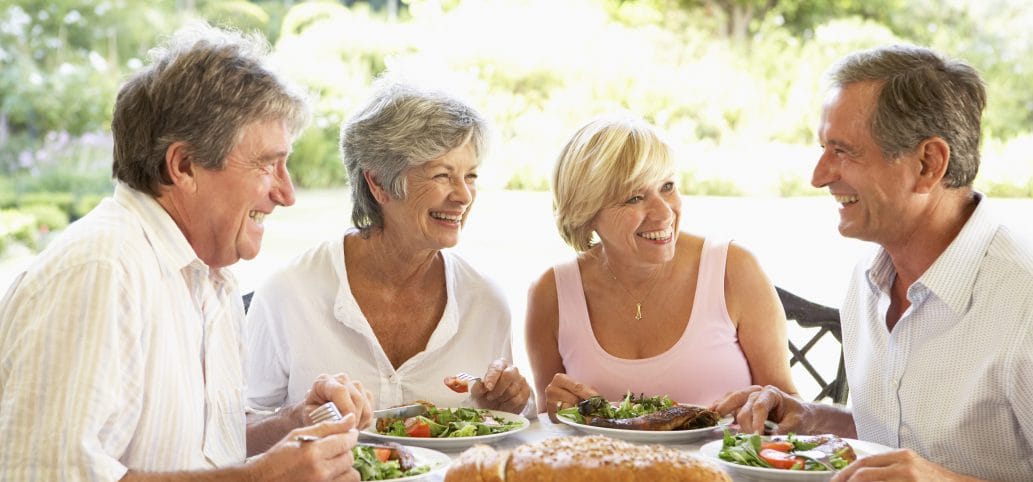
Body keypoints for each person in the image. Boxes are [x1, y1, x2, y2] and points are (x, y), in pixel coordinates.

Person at [0, 24, 374, 481]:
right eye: (266, 164)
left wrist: (291, 423)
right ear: (184, 166)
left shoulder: (208, 275)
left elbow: (199, 449)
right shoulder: (101, 269)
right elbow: (48, 475)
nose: (286, 193)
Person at [713, 45, 1033, 481]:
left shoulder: (1024, 296)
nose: (819, 175)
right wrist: (811, 417)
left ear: (928, 164)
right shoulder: (869, 274)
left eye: (843, 151)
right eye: (824, 147)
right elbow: (899, 438)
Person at [245, 80, 534, 417]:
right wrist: (295, 421)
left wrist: (510, 405)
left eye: (470, 176)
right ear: (379, 183)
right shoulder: (289, 293)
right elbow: (238, 432)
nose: (463, 196)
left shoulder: (486, 303)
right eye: (442, 175)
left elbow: (508, 433)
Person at [525, 114, 797, 422]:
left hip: (722, 468)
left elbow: (791, 409)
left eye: (667, 186)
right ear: (586, 211)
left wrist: (766, 408)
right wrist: (557, 412)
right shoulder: (552, 293)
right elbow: (549, 426)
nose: (663, 213)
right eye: (635, 197)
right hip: (606, 468)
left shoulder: (733, 270)